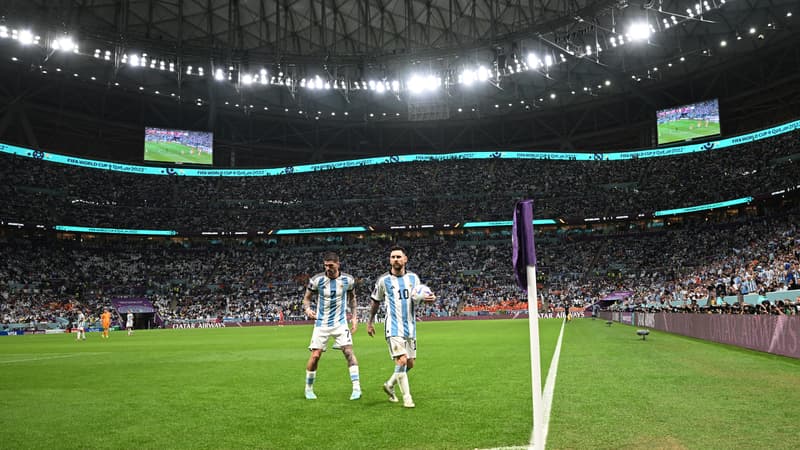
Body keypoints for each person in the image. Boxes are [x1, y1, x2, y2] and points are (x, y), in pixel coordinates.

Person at [367, 245, 435, 408]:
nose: (395, 259)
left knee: (410, 363)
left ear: (405, 259)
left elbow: (417, 298)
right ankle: (407, 398)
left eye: (398, 257)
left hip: (410, 327)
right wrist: (370, 321)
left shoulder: (413, 278)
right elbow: (375, 301)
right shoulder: (383, 280)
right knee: (402, 360)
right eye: (393, 257)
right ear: (390, 260)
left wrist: (428, 299)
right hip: (393, 326)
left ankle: (390, 384)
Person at [302, 252, 361, 401]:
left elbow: (352, 299)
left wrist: (354, 317)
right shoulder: (317, 280)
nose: (328, 268)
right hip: (321, 323)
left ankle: (356, 388)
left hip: (340, 323)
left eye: (331, 265)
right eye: (326, 265)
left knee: (348, 352)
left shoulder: (348, 280)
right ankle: (308, 389)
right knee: (315, 356)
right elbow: (306, 299)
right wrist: (307, 309)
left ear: (338, 264)